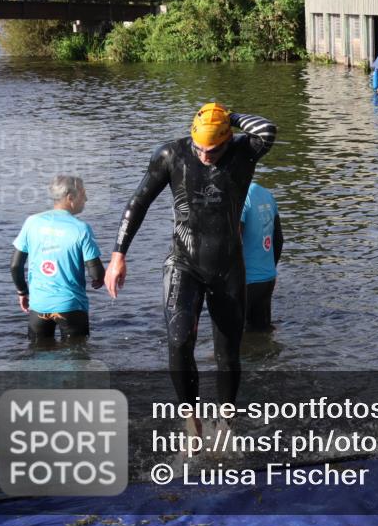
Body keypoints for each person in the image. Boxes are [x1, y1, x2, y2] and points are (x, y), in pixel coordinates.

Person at [104, 103, 276, 423]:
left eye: (213, 149)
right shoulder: (172, 155)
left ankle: (226, 421)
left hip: (227, 268)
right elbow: (138, 202)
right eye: (200, 147)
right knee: (179, 340)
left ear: (228, 139)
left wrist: (229, 116)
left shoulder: (244, 152)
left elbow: (268, 129)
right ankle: (191, 418)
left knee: (228, 354)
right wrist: (118, 255)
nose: (205, 155)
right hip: (183, 263)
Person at [11, 176, 104, 342]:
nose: (86, 199)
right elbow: (96, 273)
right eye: (83, 194)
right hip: (71, 306)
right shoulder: (81, 229)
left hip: (39, 306)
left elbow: (15, 266)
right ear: (70, 197)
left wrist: (22, 291)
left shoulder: (32, 222)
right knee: (77, 354)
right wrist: (99, 279)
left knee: (38, 353)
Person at [241, 182, 283, 332]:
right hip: (267, 280)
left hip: (246, 283)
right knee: (262, 333)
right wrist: (271, 268)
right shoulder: (267, 194)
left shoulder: (240, 198)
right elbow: (278, 239)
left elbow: (233, 244)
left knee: (235, 338)